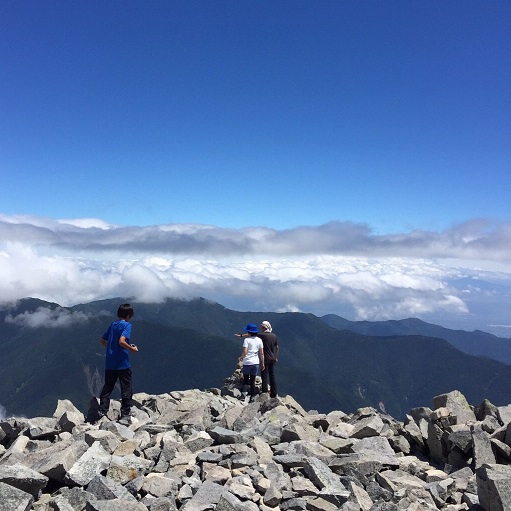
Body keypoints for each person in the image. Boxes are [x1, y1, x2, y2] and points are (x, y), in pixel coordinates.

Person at [97, 303, 139, 424]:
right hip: (122, 362)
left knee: (108, 387)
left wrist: (111, 349)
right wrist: (132, 349)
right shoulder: (127, 325)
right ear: (128, 315)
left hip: (110, 361)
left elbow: (101, 340)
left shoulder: (112, 325)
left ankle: (102, 411)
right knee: (126, 386)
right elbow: (122, 341)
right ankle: (125, 413)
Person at [236, 323, 264, 400]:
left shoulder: (246, 340)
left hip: (247, 362)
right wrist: (263, 363)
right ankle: (252, 397)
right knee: (252, 379)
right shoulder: (259, 340)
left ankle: (243, 395)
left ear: (248, 332)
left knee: (245, 378)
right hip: (256, 362)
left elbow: (245, 352)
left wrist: (241, 358)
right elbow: (261, 353)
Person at [258, 320, 279, 398]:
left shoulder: (262, 335)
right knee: (272, 375)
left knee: (264, 375)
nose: (260, 328)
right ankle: (274, 393)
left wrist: (241, 336)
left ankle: (264, 392)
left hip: (265, 358)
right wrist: (276, 357)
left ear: (264, 327)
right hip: (272, 358)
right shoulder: (274, 336)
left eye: (261, 327)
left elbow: (251, 334)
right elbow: (277, 347)